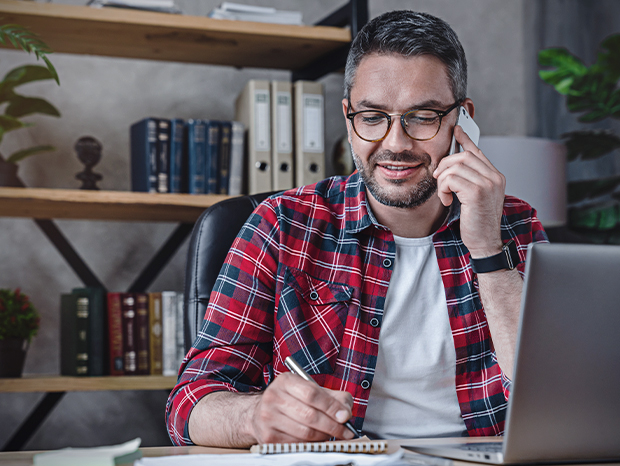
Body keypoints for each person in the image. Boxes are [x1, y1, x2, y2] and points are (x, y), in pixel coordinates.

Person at [166, 10, 547, 447]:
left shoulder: (514, 225)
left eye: (422, 116)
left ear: (462, 120)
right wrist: (255, 417)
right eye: (372, 117)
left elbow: (560, 400)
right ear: (348, 118)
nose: (395, 143)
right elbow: (190, 402)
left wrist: (488, 250)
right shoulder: (282, 224)